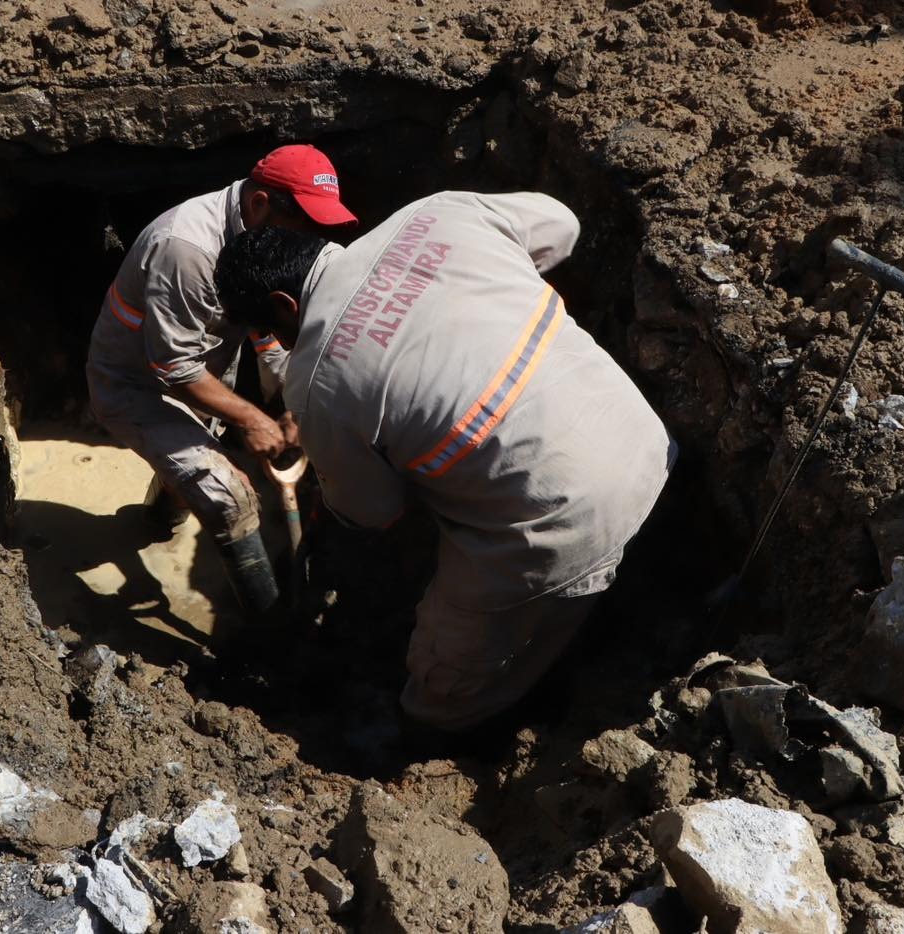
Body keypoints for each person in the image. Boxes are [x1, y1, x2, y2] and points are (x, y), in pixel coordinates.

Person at [213, 192, 674, 730]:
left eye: (274, 332)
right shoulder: (435, 212)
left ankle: (439, 751)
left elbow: (374, 512)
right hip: (646, 441)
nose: (285, 344)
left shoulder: (315, 384)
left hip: (564, 519)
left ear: (285, 306)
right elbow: (563, 225)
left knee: (440, 682)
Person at [86, 145, 358, 613]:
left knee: (187, 473)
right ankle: (269, 631)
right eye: (304, 223)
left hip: (202, 380)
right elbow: (174, 367)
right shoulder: (186, 249)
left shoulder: (256, 239)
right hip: (135, 384)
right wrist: (254, 418)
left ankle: (156, 520)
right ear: (259, 205)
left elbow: (262, 326)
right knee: (228, 497)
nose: (309, 240)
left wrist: (292, 401)